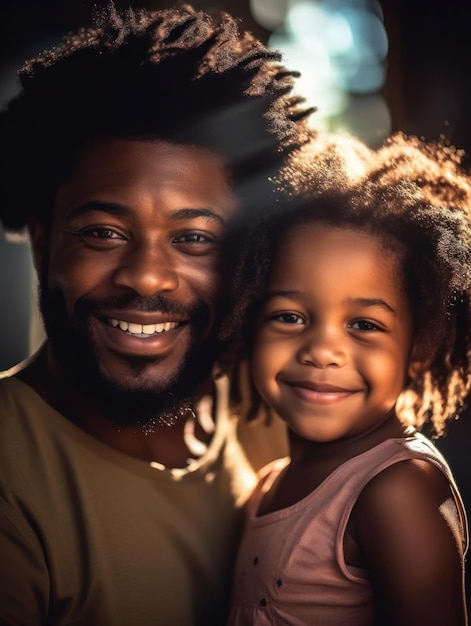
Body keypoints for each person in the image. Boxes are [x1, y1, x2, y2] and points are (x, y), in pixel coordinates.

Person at [0, 4, 313, 625]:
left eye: (195, 239)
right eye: (104, 232)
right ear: (43, 245)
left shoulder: (282, 404)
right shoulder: (14, 472)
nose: (146, 275)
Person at [223, 131, 471, 625]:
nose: (321, 350)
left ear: (418, 349)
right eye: (290, 316)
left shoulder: (398, 490)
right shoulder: (269, 484)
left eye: (364, 325)